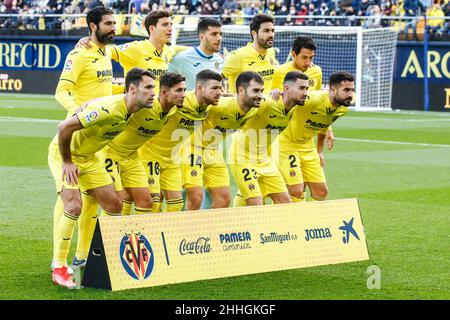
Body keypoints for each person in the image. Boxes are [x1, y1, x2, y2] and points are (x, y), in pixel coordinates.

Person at [49, 68, 156, 289]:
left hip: (90, 158)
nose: (152, 92)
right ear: (133, 89)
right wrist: (68, 161)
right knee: (74, 205)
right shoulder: (108, 109)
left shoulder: (130, 108)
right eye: (148, 87)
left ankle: (101, 259)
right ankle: (59, 266)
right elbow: (64, 127)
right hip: (65, 156)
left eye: (154, 88)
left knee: (114, 205)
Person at [52, 5, 117, 270]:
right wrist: (76, 110)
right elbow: (61, 91)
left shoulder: (107, 51)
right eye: (108, 24)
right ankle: (60, 260)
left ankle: (83, 255)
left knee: (93, 199)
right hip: (78, 132)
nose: (113, 28)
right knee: (72, 200)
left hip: (97, 139)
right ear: (93, 26)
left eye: (114, 23)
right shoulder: (78, 55)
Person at [100, 72, 186, 214]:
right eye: (179, 90)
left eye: (184, 90)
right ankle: (102, 236)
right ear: (164, 93)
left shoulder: (173, 109)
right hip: (110, 154)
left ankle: (139, 236)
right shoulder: (144, 107)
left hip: (132, 157)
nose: (183, 95)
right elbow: (117, 103)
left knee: (146, 203)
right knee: (116, 203)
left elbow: (198, 96)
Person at [138, 69, 223, 212]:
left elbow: (231, 98)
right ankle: (134, 232)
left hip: (171, 159)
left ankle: (166, 233)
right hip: (150, 156)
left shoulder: (210, 103)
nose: (219, 93)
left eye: (184, 90)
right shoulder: (179, 103)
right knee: (152, 202)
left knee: (176, 204)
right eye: (215, 88)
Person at [182, 71, 262, 210]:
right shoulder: (218, 106)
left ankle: (208, 230)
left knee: (223, 200)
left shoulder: (256, 106)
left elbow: (276, 100)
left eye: (261, 91)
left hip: (213, 151)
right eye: (256, 90)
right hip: (192, 149)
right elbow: (195, 98)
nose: (260, 95)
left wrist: (277, 92)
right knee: (195, 198)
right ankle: (185, 230)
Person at [230, 71, 309, 207]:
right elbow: (239, 100)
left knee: (285, 203)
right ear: (287, 89)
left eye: (307, 88)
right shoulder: (266, 103)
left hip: (264, 159)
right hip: (242, 157)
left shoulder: (295, 107)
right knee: (256, 202)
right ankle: (241, 227)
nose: (306, 93)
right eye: (302, 88)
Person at [276, 72, 355, 202]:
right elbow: (287, 99)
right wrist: (277, 94)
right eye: (346, 90)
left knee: (321, 191)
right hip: (286, 144)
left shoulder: (342, 109)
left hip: (308, 146)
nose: (350, 94)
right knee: (296, 190)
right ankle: (292, 220)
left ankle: (309, 220)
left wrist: (319, 151)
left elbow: (325, 121)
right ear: (333, 90)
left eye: (352, 90)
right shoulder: (312, 99)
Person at [222, 14, 276, 93]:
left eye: (272, 31)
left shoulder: (271, 52)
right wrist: (226, 97)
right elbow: (213, 80)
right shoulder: (238, 56)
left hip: (267, 105)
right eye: (266, 31)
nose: (271, 35)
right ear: (254, 34)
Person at [168, 18, 224, 91]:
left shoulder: (219, 59)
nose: (219, 38)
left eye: (220, 34)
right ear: (201, 37)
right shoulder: (182, 59)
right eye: (214, 34)